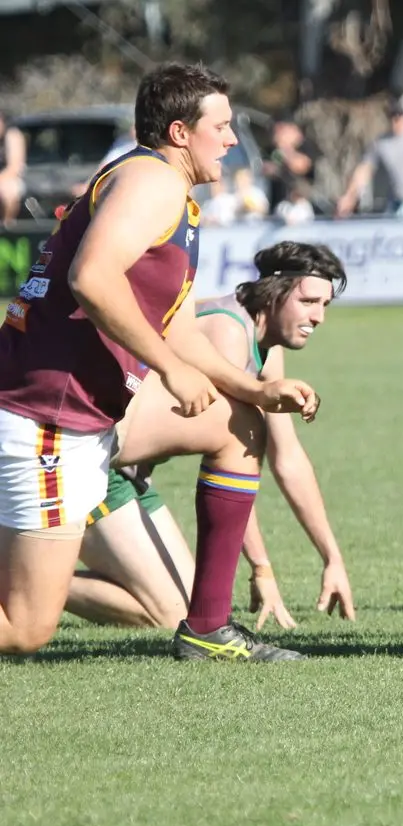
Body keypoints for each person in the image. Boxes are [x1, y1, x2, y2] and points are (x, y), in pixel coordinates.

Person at [0, 61, 318, 659]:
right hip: (48, 415)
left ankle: (208, 629)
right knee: (25, 629)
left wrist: (249, 390)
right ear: (179, 132)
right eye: (220, 127)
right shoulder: (153, 184)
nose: (230, 140)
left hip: (82, 414)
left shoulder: (170, 195)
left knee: (235, 422)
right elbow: (91, 278)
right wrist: (170, 369)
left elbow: (177, 326)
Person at [66, 242, 356, 632]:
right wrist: (262, 568)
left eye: (325, 305)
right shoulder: (227, 332)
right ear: (274, 289)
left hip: (132, 479)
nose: (318, 316)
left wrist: (332, 558)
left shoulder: (268, 346)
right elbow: (232, 456)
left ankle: (32, 575)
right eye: (308, 301)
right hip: (98, 469)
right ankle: (25, 581)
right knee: (168, 614)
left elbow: (288, 459)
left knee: (182, 607)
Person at [0, 112, 26, 226]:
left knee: (8, 192)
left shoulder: (12, 136)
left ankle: (7, 226)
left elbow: (14, 168)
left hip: (9, 178)